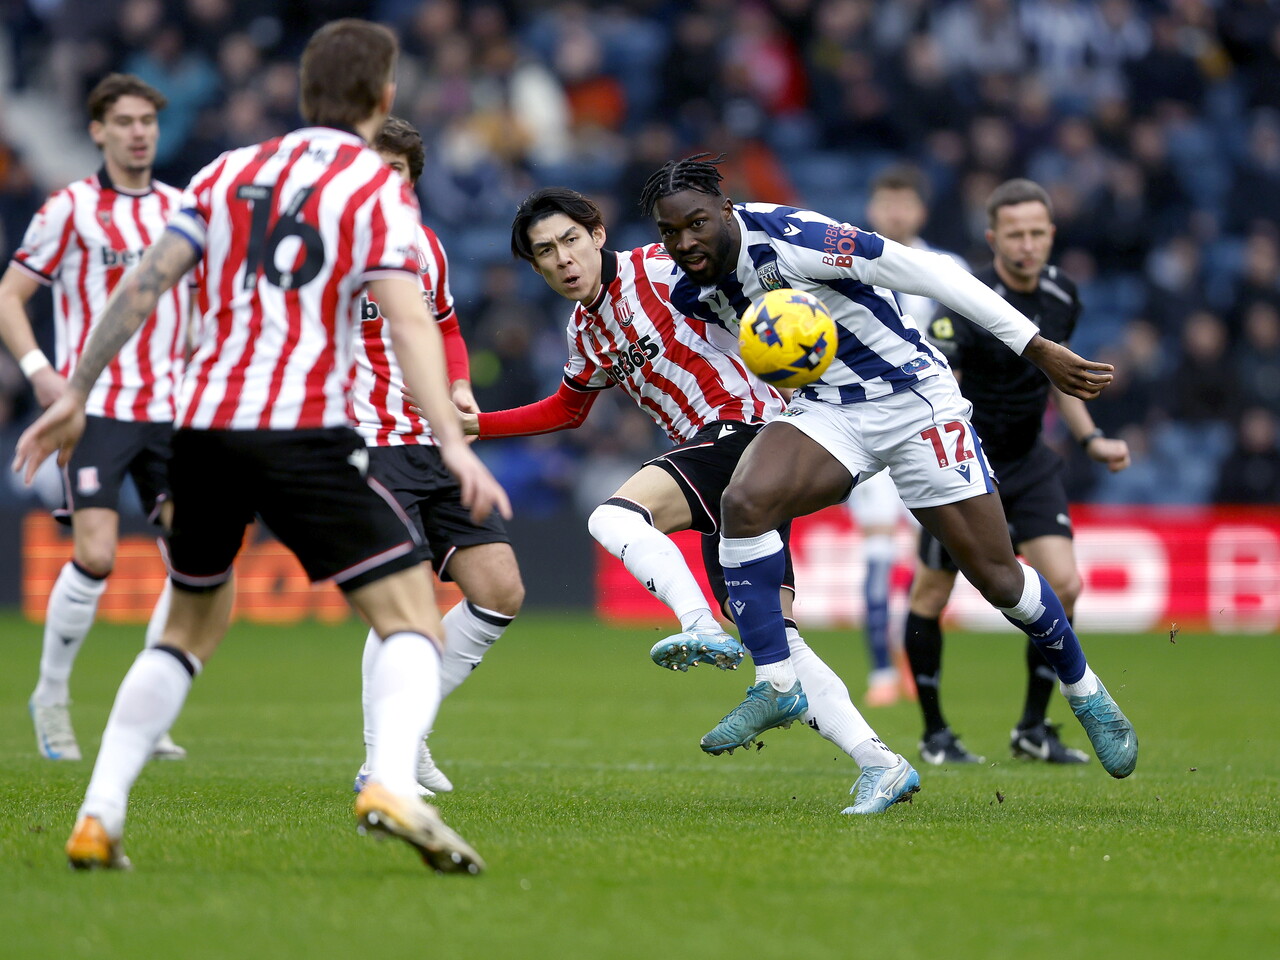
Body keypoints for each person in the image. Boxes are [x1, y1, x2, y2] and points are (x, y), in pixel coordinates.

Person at [14, 19, 509, 874]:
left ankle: (99, 812)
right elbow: (408, 319)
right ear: (384, 96)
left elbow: (145, 284)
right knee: (410, 619)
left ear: (305, 93)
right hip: (304, 427)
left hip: (202, 428)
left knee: (187, 627)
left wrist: (79, 391)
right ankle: (392, 781)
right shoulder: (376, 188)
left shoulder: (227, 170)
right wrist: (455, 443)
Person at [643, 154, 1137, 796]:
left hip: (913, 401)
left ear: (726, 209)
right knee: (745, 501)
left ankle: (1085, 690)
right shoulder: (694, 289)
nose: (685, 242)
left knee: (998, 579)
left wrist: (1035, 347)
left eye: (697, 224)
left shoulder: (797, 237)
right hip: (830, 410)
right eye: (670, 232)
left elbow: (934, 273)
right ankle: (776, 683)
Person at [462, 185, 914, 815]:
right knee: (773, 639)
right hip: (727, 466)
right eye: (545, 252)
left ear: (597, 235)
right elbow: (567, 408)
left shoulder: (661, 265)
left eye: (570, 240)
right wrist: (479, 426)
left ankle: (696, 623)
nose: (563, 259)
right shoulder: (585, 330)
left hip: (749, 431)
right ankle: (882, 765)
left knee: (614, 516)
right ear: (535, 267)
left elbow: (745, 269)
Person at [906, 178, 1131, 766]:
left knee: (1067, 584)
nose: (1027, 245)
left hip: (1030, 462)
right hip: (966, 466)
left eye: (1036, 233)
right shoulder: (967, 299)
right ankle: (935, 734)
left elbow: (1061, 379)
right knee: (931, 592)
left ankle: (1032, 727)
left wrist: (1091, 439)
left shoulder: (1062, 294)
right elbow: (940, 387)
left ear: (1051, 235)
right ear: (993, 238)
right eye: (1015, 235)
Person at [0, 73, 188, 763]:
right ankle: (51, 695)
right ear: (98, 131)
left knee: (194, 558)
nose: (139, 133)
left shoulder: (182, 209)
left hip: (172, 409)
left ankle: (150, 708)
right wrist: (40, 373)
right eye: (126, 122)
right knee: (97, 555)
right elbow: (9, 296)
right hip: (96, 407)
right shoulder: (70, 208)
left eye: (148, 122)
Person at [350, 117, 525, 796]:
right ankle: (382, 763)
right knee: (404, 603)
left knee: (500, 589)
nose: (383, 180)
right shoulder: (331, 249)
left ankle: (410, 731)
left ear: (412, 179)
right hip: (369, 444)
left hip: (436, 444)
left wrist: (459, 385)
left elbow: (447, 326)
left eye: (395, 169)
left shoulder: (426, 246)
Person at [847, 165, 967, 707]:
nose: (895, 213)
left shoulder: (947, 268)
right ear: (872, 209)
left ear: (921, 210)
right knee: (877, 552)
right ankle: (880, 671)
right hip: (869, 429)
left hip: (931, 430)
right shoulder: (844, 263)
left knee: (932, 559)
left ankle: (914, 663)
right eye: (886, 202)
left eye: (904, 203)